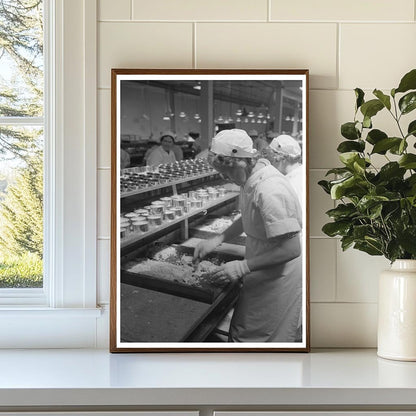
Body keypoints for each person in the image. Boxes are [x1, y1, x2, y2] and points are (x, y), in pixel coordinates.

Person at [193, 129, 302, 343]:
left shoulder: (270, 188)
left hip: (276, 278)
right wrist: (218, 238)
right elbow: (249, 216)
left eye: (226, 172)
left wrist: (242, 267)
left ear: (241, 162)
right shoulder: (250, 179)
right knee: (246, 331)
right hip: (261, 267)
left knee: (259, 338)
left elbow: (292, 249)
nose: (224, 178)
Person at [262, 134, 303, 205]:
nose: (271, 164)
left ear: (282, 158)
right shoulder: (301, 171)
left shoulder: (291, 185)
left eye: (272, 160)